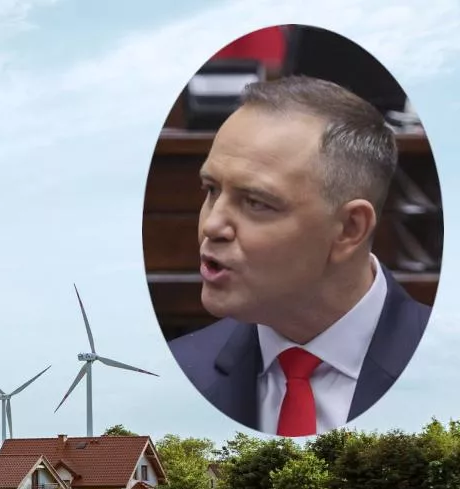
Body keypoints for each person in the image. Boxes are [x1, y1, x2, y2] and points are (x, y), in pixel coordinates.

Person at [168, 75, 432, 437]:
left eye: (256, 203)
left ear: (349, 229)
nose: (212, 226)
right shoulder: (178, 370)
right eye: (211, 190)